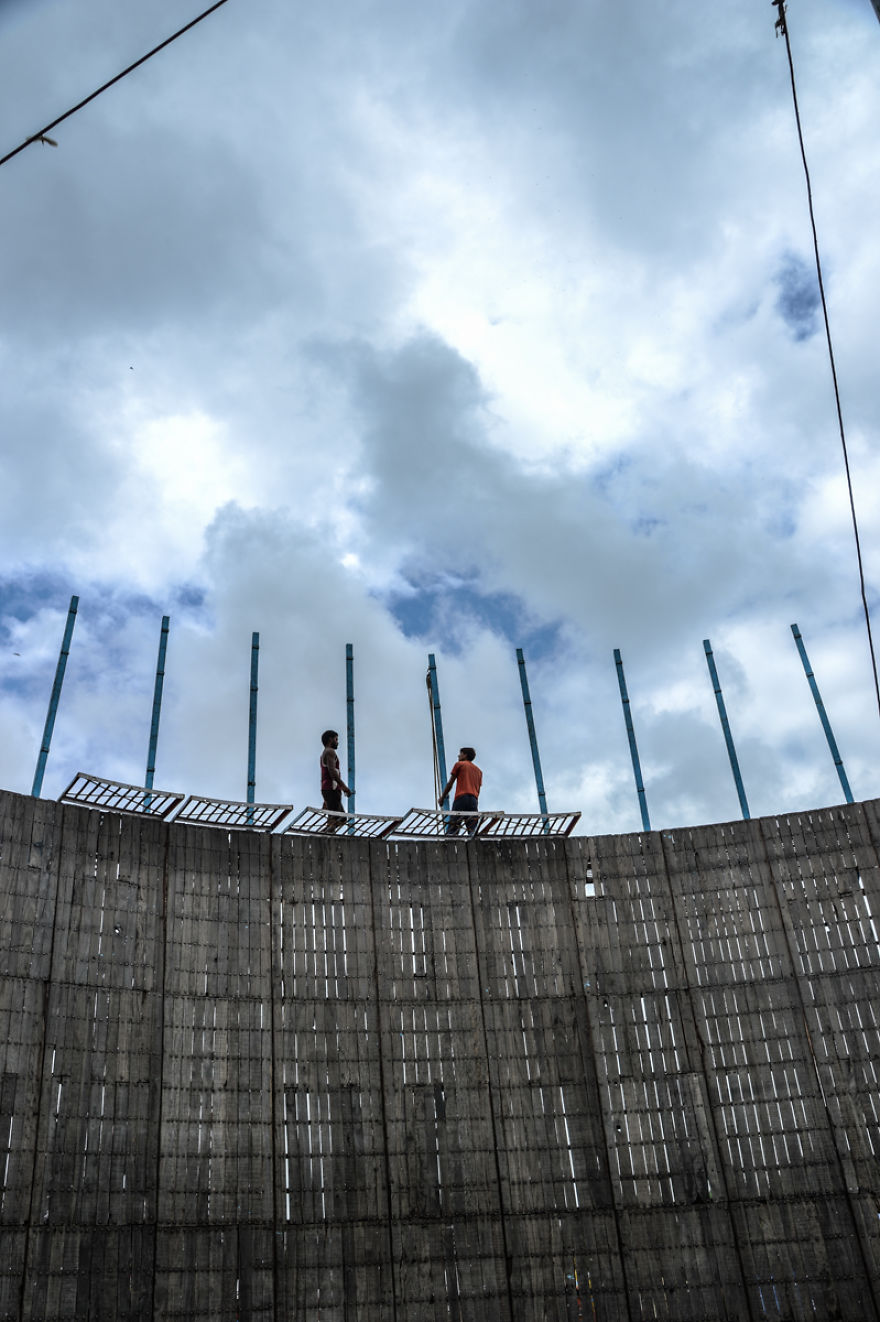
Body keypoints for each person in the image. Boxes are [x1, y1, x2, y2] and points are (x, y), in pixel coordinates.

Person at [438, 747, 483, 836]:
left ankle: (450, 843)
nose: (458, 755)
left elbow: (450, 784)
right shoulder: (479, 771)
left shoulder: (460, 764)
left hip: (461, 798)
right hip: (473, 800)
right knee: (472, 829)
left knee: (453, 828)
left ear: (465, 755)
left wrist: (442, 798)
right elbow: (478, 789)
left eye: (460, 753)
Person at [320, 730, 351, 833]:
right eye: (336, 739)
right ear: (330, 739)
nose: (337, 742)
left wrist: (325, 798)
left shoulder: (325, 753)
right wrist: (343, 787)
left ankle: (325, 832)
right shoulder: (330, 752)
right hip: (331, 789)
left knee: (340, 818)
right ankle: (325, 835)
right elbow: (332, 772)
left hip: (328, 789)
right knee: (336, 819)